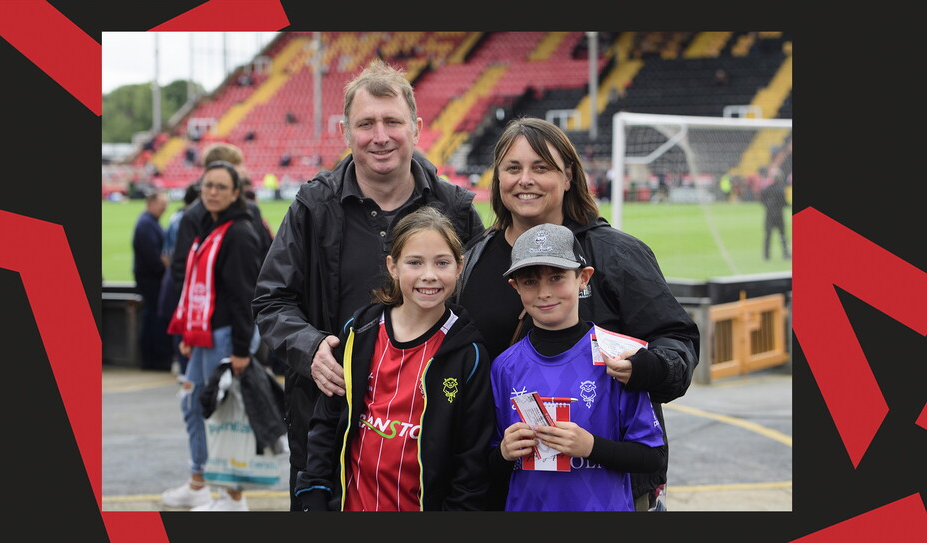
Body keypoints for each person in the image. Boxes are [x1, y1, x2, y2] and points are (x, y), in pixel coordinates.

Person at [252, 59, 485, 510]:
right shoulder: (313, 206)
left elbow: (483, 307)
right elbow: (271, 299)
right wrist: (310, 346)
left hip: (431, 445)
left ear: (416, 127)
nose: (380, 136)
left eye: (392, 121)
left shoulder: (454, 209)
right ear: (345, 131)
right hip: (329, 433)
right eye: (366, 124)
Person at [456, 117, 699, 511]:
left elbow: (679, 341)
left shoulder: (616, 254)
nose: (525, 180)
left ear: (569, 175)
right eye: (513, 168)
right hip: (504, 485)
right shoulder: (475, 256)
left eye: (541, 167)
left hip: (604, 489)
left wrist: (648, 368)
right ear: (497, 178)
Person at [294, 206, 493, 511]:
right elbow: (327, 419)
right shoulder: (360, 331)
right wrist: (315, 492)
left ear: (459, 267)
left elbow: (471, 459)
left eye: (442, 263)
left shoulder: (469, 354)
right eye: (415, 262)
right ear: (393, 266)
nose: (429, 275)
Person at [491, 223, 665, 511]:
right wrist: (503, 453)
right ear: (516, 286)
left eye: (557, 277)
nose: (544, 292)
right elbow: (486, 463)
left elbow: (651, 456)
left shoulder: (618, 356)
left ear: (583, 278)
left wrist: (591, 447)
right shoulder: (504, 366)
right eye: (530, 281)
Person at [162, 160, 263, 512]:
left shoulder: (239, 233)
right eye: (208, 185)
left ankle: (232, 498)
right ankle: (202, 481)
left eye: (221, 187)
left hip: (224, 338)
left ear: (236, 193)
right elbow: (196, 286)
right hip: (205, 334)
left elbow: (243, 297)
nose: (212, 192)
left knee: (223, 415)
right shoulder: (210, 225)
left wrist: (239, 350)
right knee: (193, 404)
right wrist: (189, 330)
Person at [168, 142, 273, 304]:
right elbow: (182, 268)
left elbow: (266, 256)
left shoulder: (251, 210)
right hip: (212, 312)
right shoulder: (194, 216)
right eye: (239, 166)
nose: (244, 171)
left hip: (248, 305)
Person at [157, 182, 199, 379]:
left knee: (178, 321)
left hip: (173, 276)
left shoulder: (175, 217)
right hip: (185, 278)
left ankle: (184, 368)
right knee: (184, 321)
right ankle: (185, 368)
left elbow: (166, 254)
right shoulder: (190, 219)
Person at [132, 189, 172, 370]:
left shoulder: (149, 222)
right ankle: (154, 358)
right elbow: (153, 256)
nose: (165, 208)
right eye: (162, 204)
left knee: (153, 317)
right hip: (151, 279)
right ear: (151, 203)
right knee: (154, 318)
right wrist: (163, 266)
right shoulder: (146, 224)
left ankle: (153, 358)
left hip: (150, 277)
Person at [760, 172, 790, 260]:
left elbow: (762, 200)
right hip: (779, 215)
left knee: (768, 235)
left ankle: (766, 255)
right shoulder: (781, 190)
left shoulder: (767, 189)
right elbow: (784, 203)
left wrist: (768, 206)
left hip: (769, 214)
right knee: (782, 235)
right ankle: (785, 254)